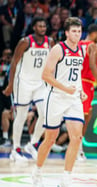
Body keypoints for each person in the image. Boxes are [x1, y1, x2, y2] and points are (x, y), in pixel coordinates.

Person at [32, 17, 86, 187]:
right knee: (50, 139)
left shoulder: (82, 50)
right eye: (74, 31)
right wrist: (65, 89)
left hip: (73, 98)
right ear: (67, 32)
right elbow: (46, 75)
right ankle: (37, 173)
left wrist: (81, 90)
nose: (77, 34)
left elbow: (76, 75)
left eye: (79, 31)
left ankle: (66, 179)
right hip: (55, 96)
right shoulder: (58, 49)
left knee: (77, 138)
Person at [3, 17, 54, 161]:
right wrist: (11, 84)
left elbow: (53, 63)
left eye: (44, 26)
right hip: (23, 82)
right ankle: (16, 149)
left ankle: (33, 143)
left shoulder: (50, 42)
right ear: (34, 28)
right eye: (40, 26)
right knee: (21, 115)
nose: (43, 28)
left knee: (46, 114)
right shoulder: (25, 42)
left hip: (40, 83)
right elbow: (14, 63)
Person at [77, 24, 97, 161]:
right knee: (82, 118)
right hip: (86, 82)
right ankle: (78, 149)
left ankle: (77, 147)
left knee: (85, 116)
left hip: (78, 80)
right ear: (93, 33)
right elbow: (93, 65)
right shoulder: (93, 46)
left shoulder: (78, 43)